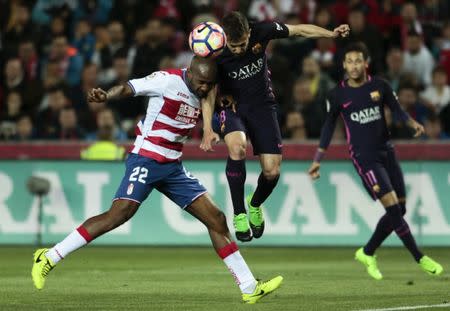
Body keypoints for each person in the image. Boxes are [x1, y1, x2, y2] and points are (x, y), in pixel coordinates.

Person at [31, 56, 282, 304]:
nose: (205, 88)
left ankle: (249, 287)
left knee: (217, 220)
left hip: (172, 166)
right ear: (190, 74)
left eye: (209, 83)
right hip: (146, 158)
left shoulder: (208, 92)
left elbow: (218, 103)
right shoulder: (166, 80)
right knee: (119, 214)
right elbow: (129, 87)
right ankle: (50, 257)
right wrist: (107, 95)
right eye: (202, 82)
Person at [200, 11, 350, 242]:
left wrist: (330, 33)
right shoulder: (216, 49)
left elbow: (299, 29)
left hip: (262, 107)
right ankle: (239, 213)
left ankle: (254, 204)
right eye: (234, 46)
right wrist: (207, 130)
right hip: (231, 108)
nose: (238, 50)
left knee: (272, 171)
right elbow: (208, 92)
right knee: (237, 147)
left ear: (249, 33)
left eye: (242, 45)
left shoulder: (263, 31)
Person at [307, 42, 443, 280]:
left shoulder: (381, 86)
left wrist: (412, 123)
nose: (354, 65)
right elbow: (329, 126)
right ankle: (419, 257)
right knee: (392, 207)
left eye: (358, 61)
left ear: (366, 63)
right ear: (344, 65)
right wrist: (318, 158)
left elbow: (398, 110)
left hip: (386, 152)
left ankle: (367, 251)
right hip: (364, 158)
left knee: (400, 207)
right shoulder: (337, 94)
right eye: (349, 61)